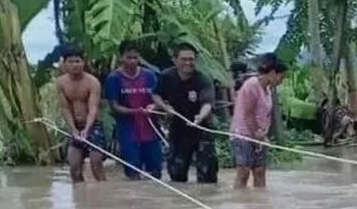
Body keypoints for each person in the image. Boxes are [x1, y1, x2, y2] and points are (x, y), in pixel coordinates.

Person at [152, 43, 217, 184]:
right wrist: (164, 107)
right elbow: (156, 95)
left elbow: (207, 104)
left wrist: (200, 116)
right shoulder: (166, 77)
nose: (188, 63)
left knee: (207, 177)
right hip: (178, 130)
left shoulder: (203, 79)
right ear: (175, 60)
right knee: (177, 176)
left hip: (202, 129)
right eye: (184, 59)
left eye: (191, 59)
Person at [104, 41, 162, 179]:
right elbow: (114, 106)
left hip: (151, 130)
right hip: (128, 131)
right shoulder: (113, 78)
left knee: (156, 172)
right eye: (128, 57)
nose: (132, 61)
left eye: (135, 58)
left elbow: (158, 99)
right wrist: (135, 111)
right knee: (133, 173)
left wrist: (154, 107)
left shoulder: (150, 76)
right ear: (121, 58)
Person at [229, 53, 287, 188]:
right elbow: (248, 115)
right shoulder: (252, 85)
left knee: (260, 171)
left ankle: (260, 206)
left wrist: (263, 134)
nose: (281, 81)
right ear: (272, 73)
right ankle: (240, 203)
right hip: (243, 134)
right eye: (281, 77)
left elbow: (265, 115)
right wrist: (258, 135)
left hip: (259, 136)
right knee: (243, 172)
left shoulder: (267, 89)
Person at [56, 45, 105, 183]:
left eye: (78, 61)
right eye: (71, 62)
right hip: (75, 127)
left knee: (96, 164)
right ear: (64, 63)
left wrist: (86, 129)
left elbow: (93, 108)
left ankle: (104, 197)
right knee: (74, 168)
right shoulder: (61, 82)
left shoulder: (92, 82)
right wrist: (73, 129)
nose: (75, 65)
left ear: (83, 62)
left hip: (93, 126)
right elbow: (65, 108)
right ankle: (80, 201)